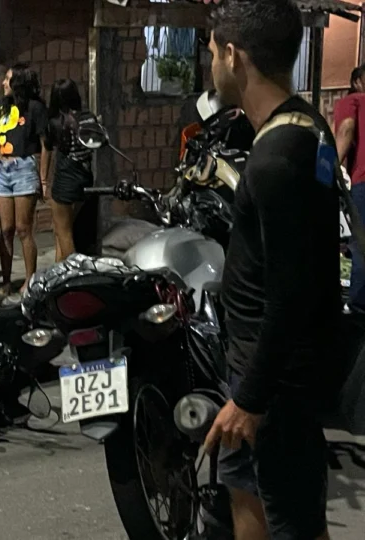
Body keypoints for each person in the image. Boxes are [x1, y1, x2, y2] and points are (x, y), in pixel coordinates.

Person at [202, 2, 341, 539]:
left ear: (235, 56)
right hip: (256, 373)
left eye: (214, 52)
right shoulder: (303, 123)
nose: (210, 64)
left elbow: (292, 292)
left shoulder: (277, 160)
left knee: (293, 520)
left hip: (276, 386)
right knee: (246, 492)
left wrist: (252, 398)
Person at [0, 63, 48, 293]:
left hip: (24, 166)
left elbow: (44, 145)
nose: (3, 83)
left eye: (8, 79)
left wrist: (43, 178)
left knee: (23, 228)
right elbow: (0, 140)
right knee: (6, 229)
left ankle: (30, 280)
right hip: (4, 167)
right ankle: (7, 281)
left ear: (18, 82)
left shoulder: (35, 108)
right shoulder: (3, 106)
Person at [44, 79, 94, 262]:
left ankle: (74, 269)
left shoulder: (56, 122)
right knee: (67, 227)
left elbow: (49, 145)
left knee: (63, 232)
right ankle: (59, 269)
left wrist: (44, 180)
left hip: (65, 177)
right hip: (85, 175)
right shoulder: (88, 118)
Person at [334, 63, 365, 312]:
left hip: (364, 182)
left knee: (361, 246)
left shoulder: (353, 100)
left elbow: (345, 130)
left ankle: (357, 307)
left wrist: (323, 177)